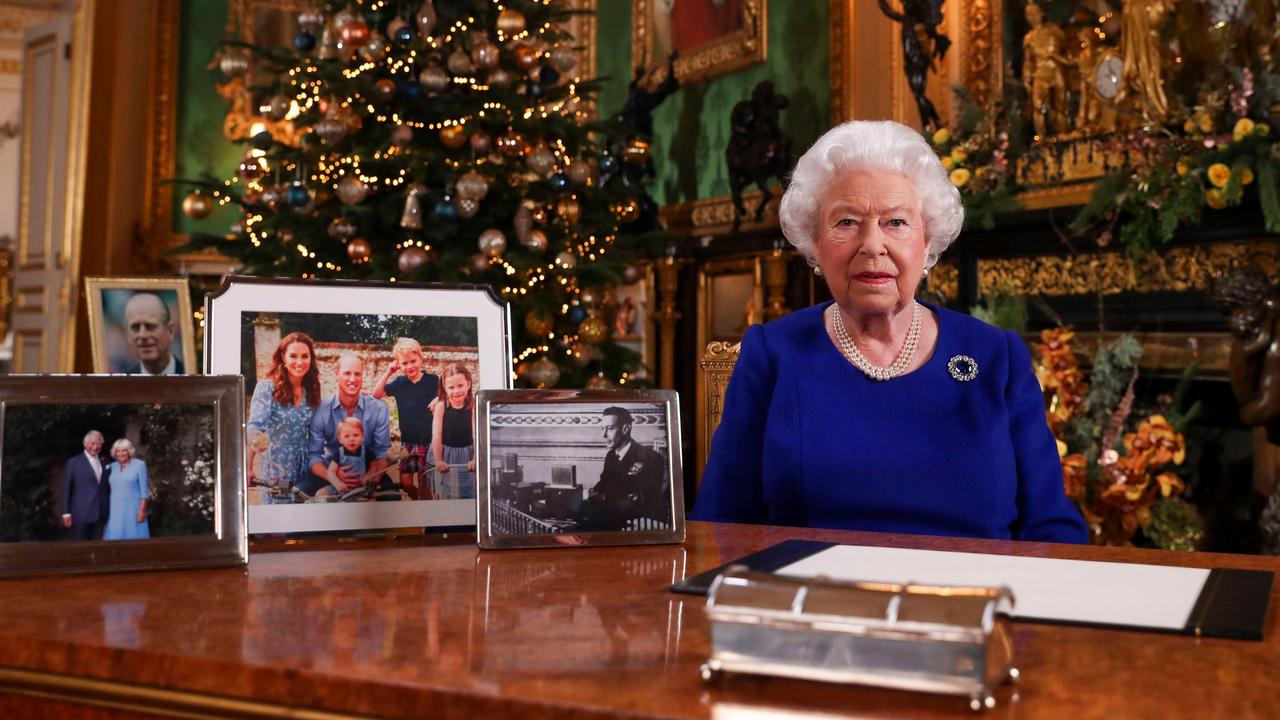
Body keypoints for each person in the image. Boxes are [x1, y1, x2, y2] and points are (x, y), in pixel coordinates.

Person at [692, 120, 1087, 543]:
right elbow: (720, 525)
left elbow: (1051, 525)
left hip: (971, 602)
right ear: (815, 242)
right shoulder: (773, 354)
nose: (872, 245)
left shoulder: (995, 356)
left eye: (895, 222)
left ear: (927, 239)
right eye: (846, 222)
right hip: (812, 600)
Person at [247, 332, 322, 502]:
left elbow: (318, 433)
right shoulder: (267, 388)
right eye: (293, 356)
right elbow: (255, 429)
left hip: (304, 471)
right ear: (283, 357)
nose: (300, 362)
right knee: (278, 522)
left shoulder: (311, 393)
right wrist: (248, 467)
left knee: (301, 522)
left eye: (305, 356)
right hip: (277, 469)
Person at [307, 353, 391, 495]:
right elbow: (314, 456)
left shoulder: (378, 408)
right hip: (330, 470)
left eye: (357, 374)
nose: (352, 379)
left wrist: (371, 479)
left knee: (390, 499)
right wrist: (334, 477)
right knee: (300, 492)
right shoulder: (321, 410)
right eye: (347, 373)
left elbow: (383, 453)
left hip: (367, 472)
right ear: (337, 374)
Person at [580, 407, 668, 530]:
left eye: (609, 429)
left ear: (625, 429)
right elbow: (603, 484)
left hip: (634, 522)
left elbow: (644, 500)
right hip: (610, 514)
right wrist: (591, 493)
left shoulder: (650, 458)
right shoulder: (611, 456)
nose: (603, 435)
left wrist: (603, 501)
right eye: (602, 429)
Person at [373, 338, 439, 500]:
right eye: (404, 363)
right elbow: (377, 394)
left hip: (427, 441)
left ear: (421, 358)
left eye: (413, 361)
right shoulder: (399, 383)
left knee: (425, 483)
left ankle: (426, 510)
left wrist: (439, 399)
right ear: (399, 364)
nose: (409, 366)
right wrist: (389, 372)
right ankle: (418, 502)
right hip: (407, 442)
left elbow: (447, 394)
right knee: (405, 482)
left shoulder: (432, 381)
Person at [431, 364, 475, 500]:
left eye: (460, 385)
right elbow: (436, 435)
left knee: (467, 491)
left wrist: (475, 458)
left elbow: (477, 435)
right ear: (445, 387)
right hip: (445, 453)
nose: (456, 391)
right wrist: (438, 460)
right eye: (451, 387)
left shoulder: (474, 406)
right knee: (446, 492)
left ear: (468, 384)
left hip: (467, 454)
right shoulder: (441, 407)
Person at [60, 430, 112, 541]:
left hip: (101, 514)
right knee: (79, 550)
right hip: (80, 515)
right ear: (85, 444)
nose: (96, 446)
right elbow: (66, 489)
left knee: (97, 550)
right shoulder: (73, 462)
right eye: (92, 443)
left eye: (99, 444)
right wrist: (65, 513)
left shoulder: (105, 462)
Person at [122, 292, 184, 375]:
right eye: (135, 328)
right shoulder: (121, 385)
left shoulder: (195, 377)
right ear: (128, 335)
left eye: (150, 326)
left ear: (170, 331)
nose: (142, 335)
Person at [103, 439, 150, 541]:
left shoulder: (140, 465)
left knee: (134, 540)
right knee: (114, 540)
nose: (121, 453)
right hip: (115, 509)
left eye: (124, 450)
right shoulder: (112, 466)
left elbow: (144, 492)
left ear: (129, 451)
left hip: (133, 509)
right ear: (114, 452)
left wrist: (142, 510)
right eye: (118, 451)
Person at [319, 417, 377, 497]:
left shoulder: (366, 452)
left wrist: (368, 476)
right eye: (347, 436)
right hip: (342, 487)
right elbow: (331, 471)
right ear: (340, 439)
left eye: (356, 435)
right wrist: (337, 484)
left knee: (374, 497)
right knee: (320, 493)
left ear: (362, 437)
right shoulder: (339, 453)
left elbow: (374, 466)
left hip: (361, 488)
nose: (352, 439)